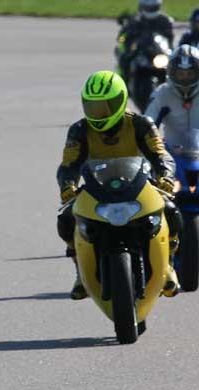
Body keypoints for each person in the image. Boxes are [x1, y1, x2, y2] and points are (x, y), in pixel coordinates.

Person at [57, 70, 180, 299]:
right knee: (65, 219)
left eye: (106, 106)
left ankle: (169, 266)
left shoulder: (141, 124)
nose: (99, 113)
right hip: (97, 188)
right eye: (93, 107)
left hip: (139, 185)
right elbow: (68, 164)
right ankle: (80, 272)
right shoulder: (79, 130)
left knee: (172, 211)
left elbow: (161, 155)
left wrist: (165, 176)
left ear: (122, 100)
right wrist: (67, 185)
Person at [117, 0, 175, 81]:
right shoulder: (135, 20)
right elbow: (124, 37)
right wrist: (130, 46)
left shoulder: (166, 20)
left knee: (175, 64)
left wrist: (169, 51)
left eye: (153, 7)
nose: (150, 10)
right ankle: (124, 83)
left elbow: (170, 40)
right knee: (124, 59)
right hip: (139, 52)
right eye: (148, 7)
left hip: (158, 52)